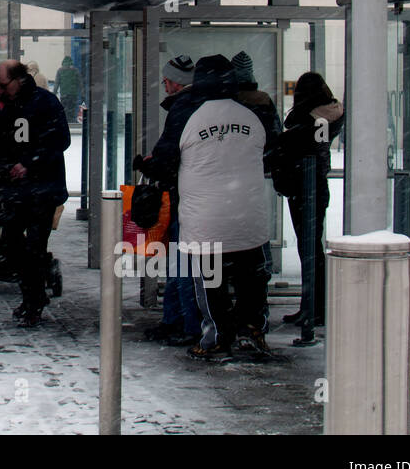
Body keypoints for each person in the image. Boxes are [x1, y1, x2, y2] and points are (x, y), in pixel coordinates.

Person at [138, 54, 273, 360]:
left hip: (206, 219)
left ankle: (216, 338)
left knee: (211, 285)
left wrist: (149, 165)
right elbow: (269, 153)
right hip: (249, 216)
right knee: (251, 280)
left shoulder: (188, 113)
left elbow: (165, 163)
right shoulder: (251, 113)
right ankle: (251, 329)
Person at [0, 59, 70, 326]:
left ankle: (33, 300)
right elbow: (1, 143)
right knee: (14, 245)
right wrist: (8, 167)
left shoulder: (45, 103)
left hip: (41, 191)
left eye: (4, 84)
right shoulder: (11, 107)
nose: (1, 89)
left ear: (19, 80)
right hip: (20, 191)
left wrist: (29, 163)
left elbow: (61, 140)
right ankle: (33, 295)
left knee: (35, 246)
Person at [271, 72, 343, 325]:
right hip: (317, 186)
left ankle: (312, 308)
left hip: (303, 186)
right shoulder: (331, 115)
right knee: (312, 250)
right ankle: (315, 306)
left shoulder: (305, 119)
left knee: (308, 250)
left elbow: (286, 144)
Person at [142, 54, 203, 347]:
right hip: (194, 193)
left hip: (184, 194)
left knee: (182, 263)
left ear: (176, 83)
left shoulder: (183, 108)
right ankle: (178, 321)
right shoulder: (197, 105)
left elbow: (171, 154)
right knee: (184, 262)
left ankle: (182, 323)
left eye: (167, 80)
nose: (164, 85)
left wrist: (148, 164)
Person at [54, 55, 81, 124]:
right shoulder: (75, 70)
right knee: (72, 108)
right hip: (73, 94)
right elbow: (79, 82)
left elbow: (57, 83)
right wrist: (81, 91)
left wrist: (54, 92)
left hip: (64, 94)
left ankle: (65, 121)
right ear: (71, 62)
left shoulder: (60, 70)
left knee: (64, 109)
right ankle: (72, 121)